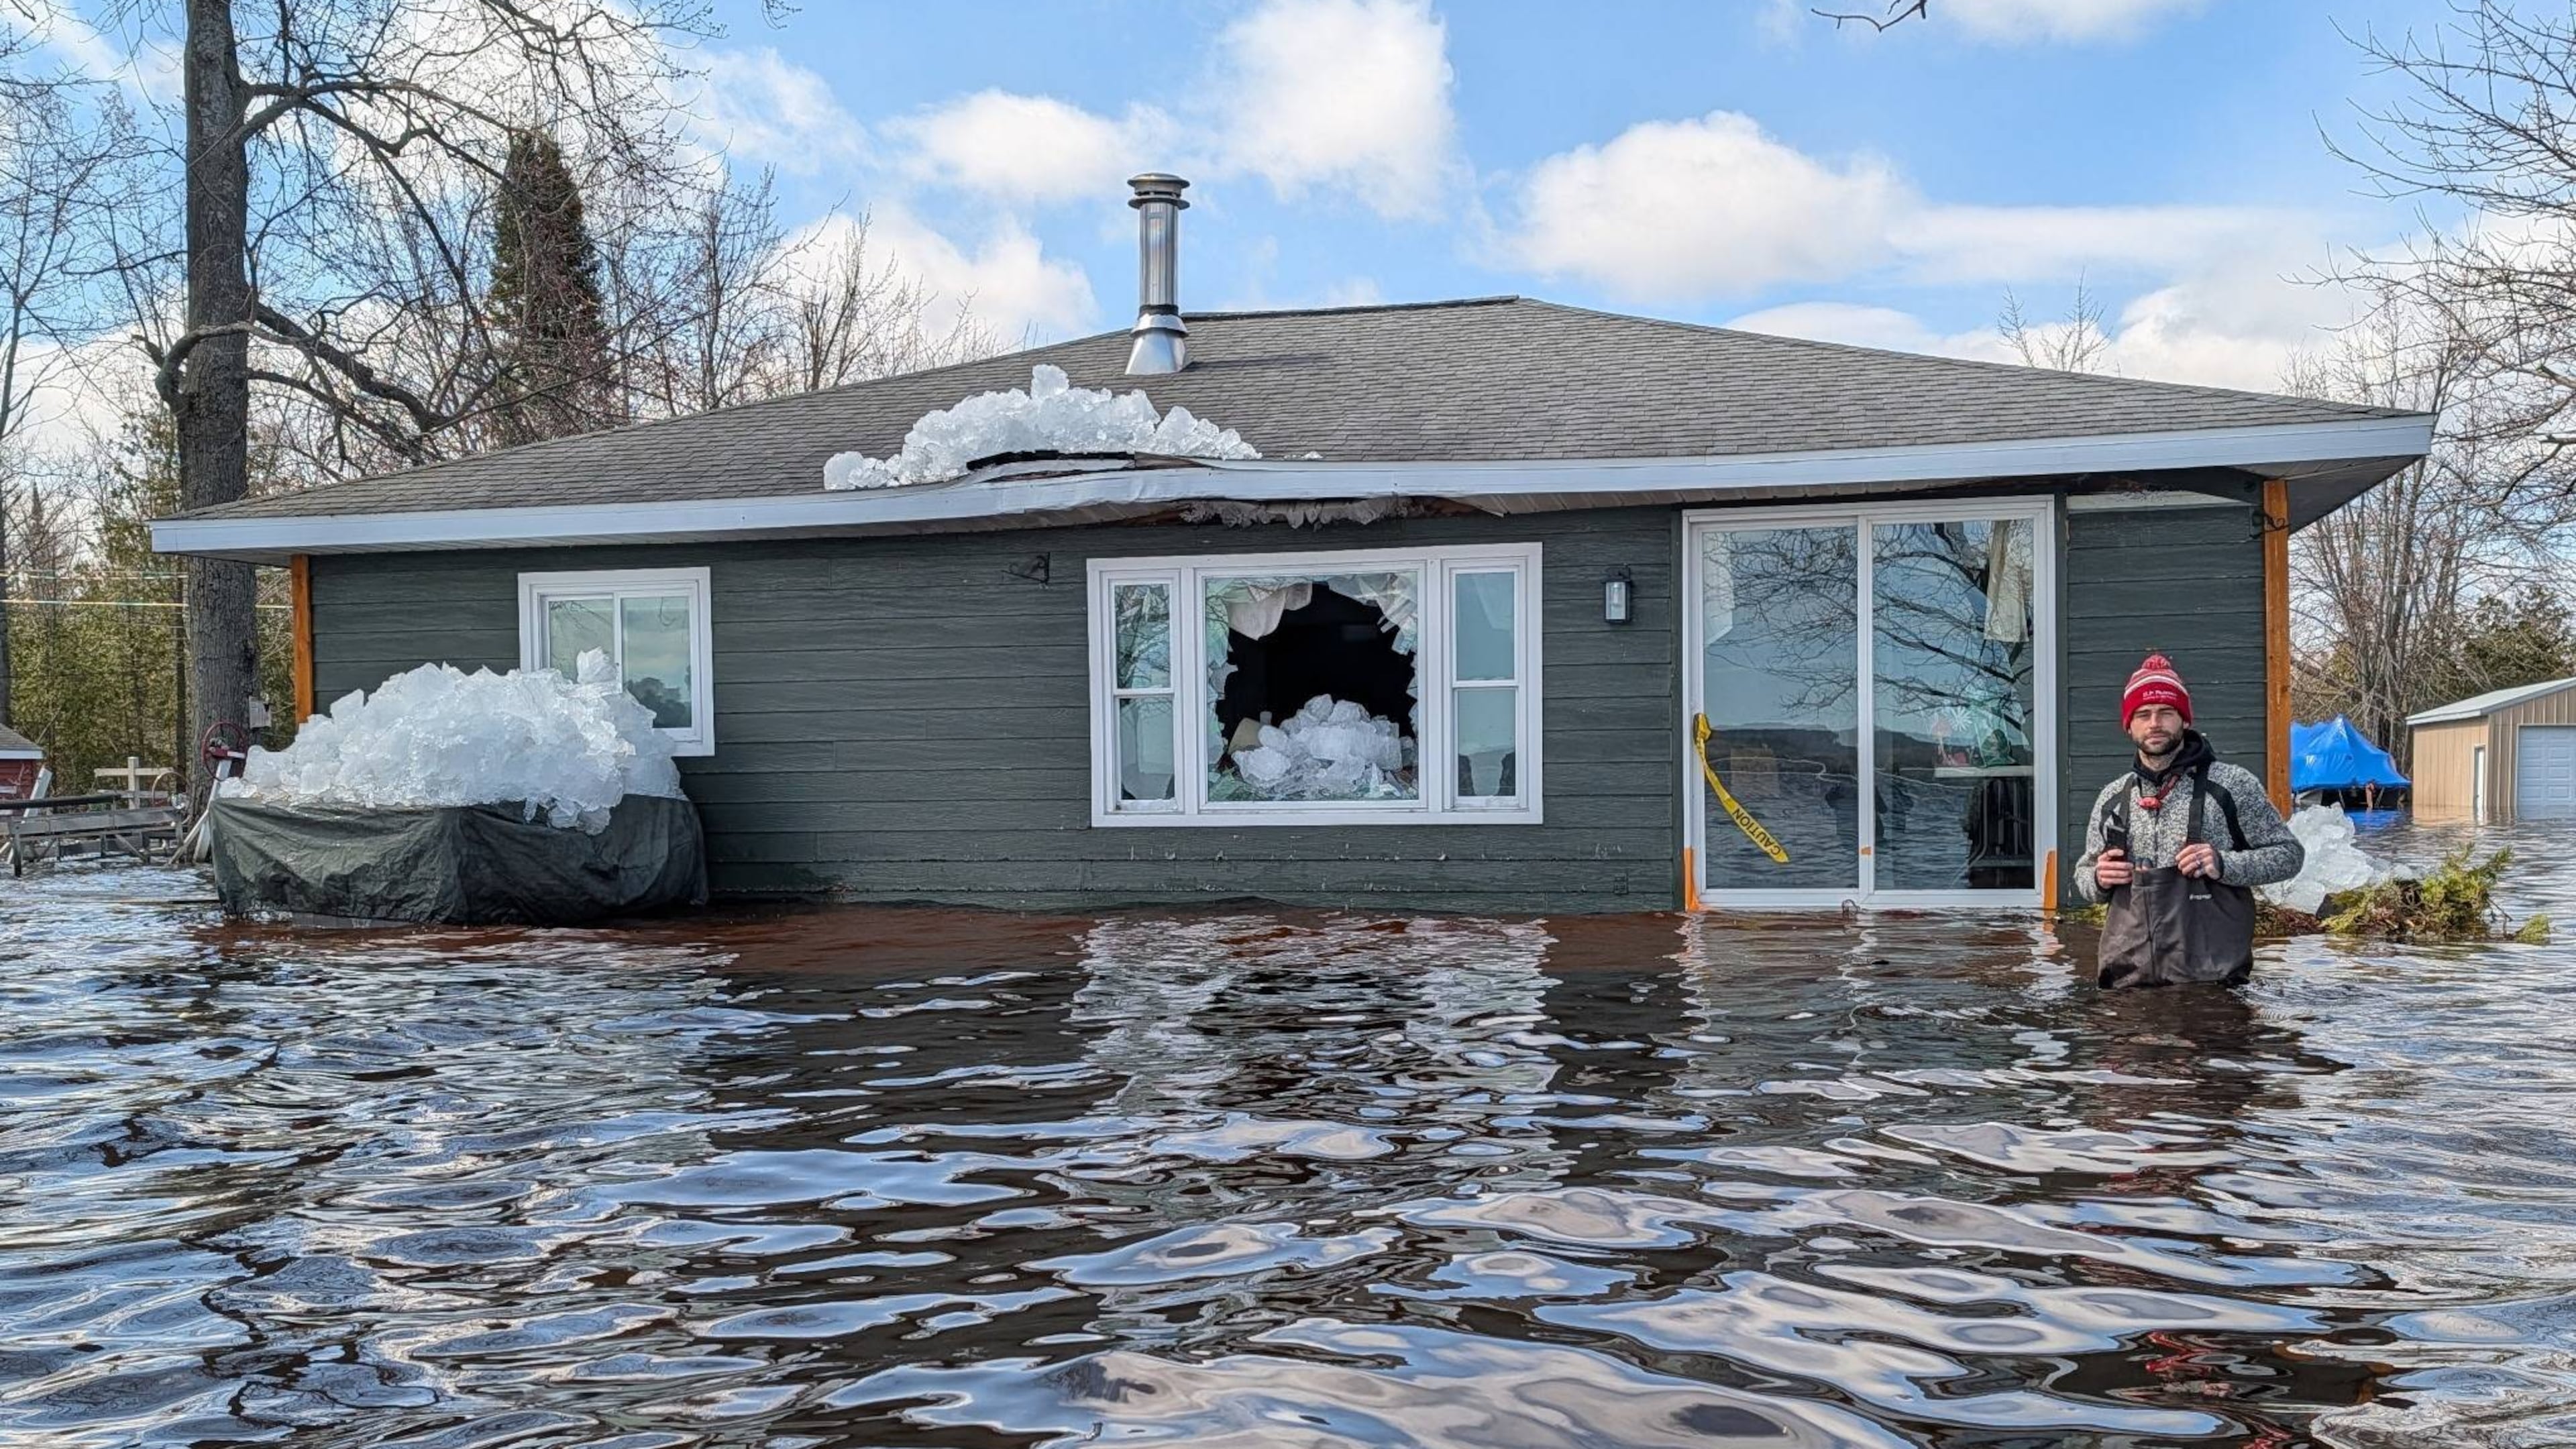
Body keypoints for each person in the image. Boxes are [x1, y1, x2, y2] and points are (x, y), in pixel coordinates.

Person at [2074, 653, 2304, 988]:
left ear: (2184, 720)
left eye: (2166, 712)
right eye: (2143, 714)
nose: (2155, 723)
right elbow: (2084, 874)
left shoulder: (2232, 785)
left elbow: (2289, 856)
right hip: (2129, 984)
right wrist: (2098, 878)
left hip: (2212, 985)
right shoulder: (2113, 797)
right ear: (2129, 725)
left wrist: (2223, 864)